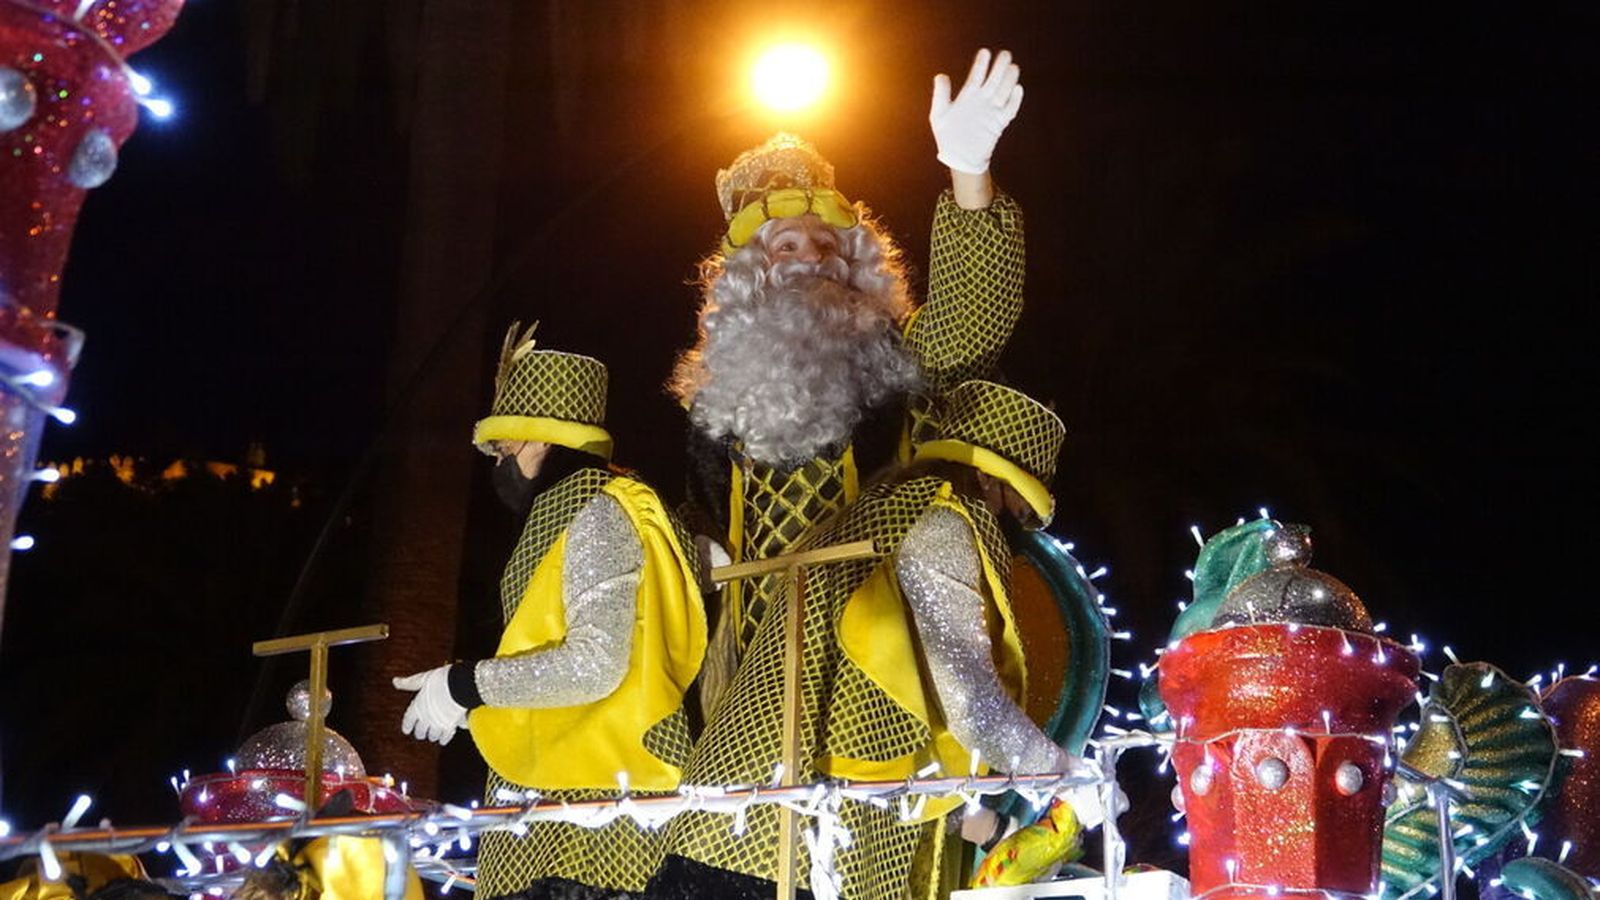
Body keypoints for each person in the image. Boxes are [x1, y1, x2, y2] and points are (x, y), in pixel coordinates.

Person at [653, 380, 1106, 900]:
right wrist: (1064, 774)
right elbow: (970, 701)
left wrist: (997, 828)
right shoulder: (944, 522)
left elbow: (883, 709)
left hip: (725, 822)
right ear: (986, 480)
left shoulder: (880, 512)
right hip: (797, 847)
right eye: (1019, 512)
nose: (1015, 531)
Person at [670, 50, 1030, 695]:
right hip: (749, 643)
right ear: (757, 272)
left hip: (876, 630)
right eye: (787, 246)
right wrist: (696, 546)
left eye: (826, 244)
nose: (811, 258)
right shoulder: (715, 397)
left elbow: (973, 316)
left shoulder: (895, 355)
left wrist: (967, 173)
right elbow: (698, 506)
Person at [393, 324, 707, 900]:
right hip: (562, 793)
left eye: (506, 448)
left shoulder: (594, 511)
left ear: (541, 441)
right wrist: (485, 708)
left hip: (599, 811)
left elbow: (595, 664)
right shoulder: (580, 512)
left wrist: (467, 685)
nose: (500, 466)